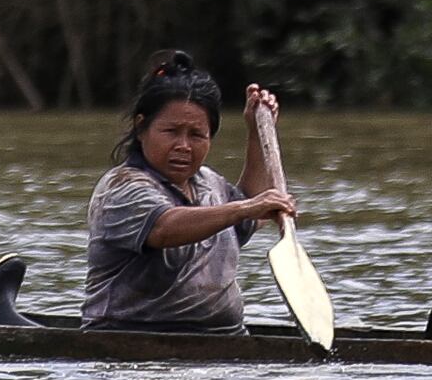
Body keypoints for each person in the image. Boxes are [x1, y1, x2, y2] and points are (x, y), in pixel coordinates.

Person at [86, 51, 294, 331]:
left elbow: (246, 217)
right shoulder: (121, 188)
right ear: (141, 127)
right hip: (133, 335)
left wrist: (256, 133)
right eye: (171, 131)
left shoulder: (209, 183)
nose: (184, 145)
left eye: (196, 135)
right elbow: (164, 229)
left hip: (224, 338)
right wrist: (248, 207)